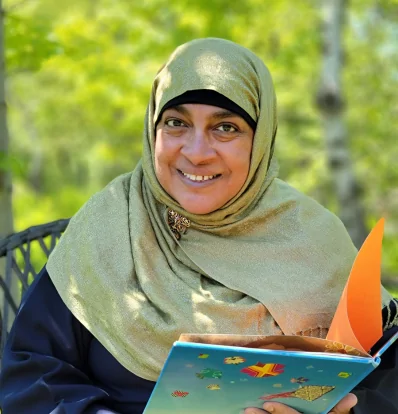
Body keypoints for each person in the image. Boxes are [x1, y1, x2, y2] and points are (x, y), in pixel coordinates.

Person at [0, 38, 397, 414]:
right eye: (176, 123)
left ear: (261, 141)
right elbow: (31, 370)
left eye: (226, 127)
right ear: (152, 129)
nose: (196, 152)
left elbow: (386, 373)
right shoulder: (109, 224)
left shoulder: (311, 235)